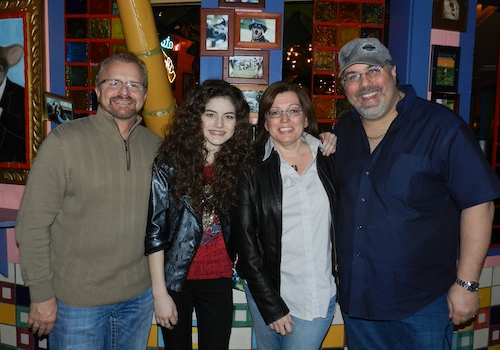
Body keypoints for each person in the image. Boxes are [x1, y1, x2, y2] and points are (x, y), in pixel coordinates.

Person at [333, 37, 500, 349]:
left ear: (393, 73)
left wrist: (466, 283)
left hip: (421, 304)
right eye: (352, 76)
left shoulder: (441, 127)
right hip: (359, 303)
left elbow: (479, 204)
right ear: (344, 86)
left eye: (373, 70)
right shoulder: (344, 130)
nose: (364, 83)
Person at [15, 52, 161, 349]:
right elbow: (32, 225)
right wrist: (41, 295)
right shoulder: (64, 143)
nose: (124, 92)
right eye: (114, 82)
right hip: (76, 304)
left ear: (144, 95)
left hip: (137, 299)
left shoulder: (155, 146)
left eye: (134, 85)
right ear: (97, 91)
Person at [144, 79, 254, 350]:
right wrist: (160, 293)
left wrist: (320, 137)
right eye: (210, 114)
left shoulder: (241, 164)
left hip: (218, 278)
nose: (219, 124)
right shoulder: (169, 164)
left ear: (237, 122)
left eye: (228, 116)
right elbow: (155, 232)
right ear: (196, 118)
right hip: (176, 279)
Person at [233, 81, 338, 350]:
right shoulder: (250, 169)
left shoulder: (330, 159)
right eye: (275, 112)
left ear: (306, 117)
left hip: (318, 292)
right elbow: (246, 245)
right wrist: (271, 305)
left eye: (293, 110)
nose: (285, 119)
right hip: (267, 292)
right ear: (265, 122)